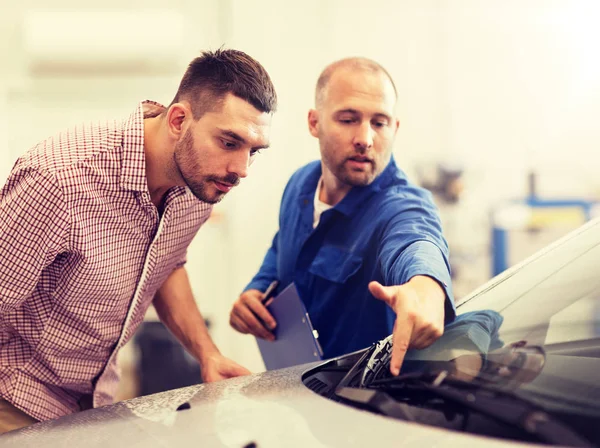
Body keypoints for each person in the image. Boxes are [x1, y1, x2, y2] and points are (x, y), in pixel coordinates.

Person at [0, 49, 277, 433]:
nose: (241, 170)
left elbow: (165, 265)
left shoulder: (198, 187)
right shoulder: (59, 179)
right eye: (229, 142)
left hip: (94, 406)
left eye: (253, 151)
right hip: (15, 398)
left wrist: (207, 354)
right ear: (179, 120)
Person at [230, 57, 455, 376]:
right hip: (296, 388)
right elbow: (284, 245)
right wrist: (258, 288)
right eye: (349, 119)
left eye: (380, 123)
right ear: (314, 123)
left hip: (363, 406)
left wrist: (426, 289)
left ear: (395, 128)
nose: (365, 138)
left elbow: (417, 241)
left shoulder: (399, 206)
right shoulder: (299, 185)